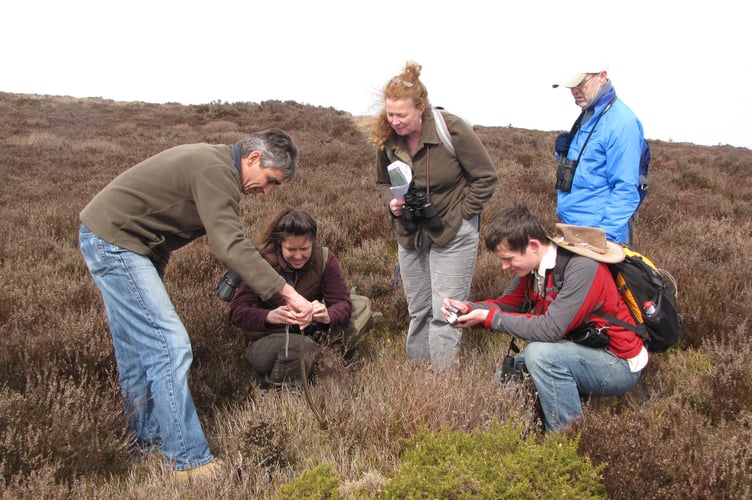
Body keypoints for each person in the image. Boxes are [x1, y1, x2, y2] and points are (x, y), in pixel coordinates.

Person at [78, 129, 314, 478]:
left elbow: (230, 240)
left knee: (136, 354)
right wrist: (289, 293)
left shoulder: (217, 166)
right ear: (252, 159)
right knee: (170, 346)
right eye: (269, 181)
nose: (266, 192)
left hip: (123, 242)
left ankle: (145, 446)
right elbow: (230, 245)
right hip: (117, 244)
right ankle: (186, 460)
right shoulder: (215, 169)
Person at [442, 203, 647, 432]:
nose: (503, 267)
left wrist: (488, 317)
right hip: (580, 350)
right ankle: (502, 436)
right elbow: (507, 305)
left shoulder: (582, 268)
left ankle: (564, 444)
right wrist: (470, 309)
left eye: (509, 259)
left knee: (541, 356)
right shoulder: (532, 270)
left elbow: (551, 329)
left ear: (533, 245)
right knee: (513, 371)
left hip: (618, 363)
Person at [370, 61, 499, 369]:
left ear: (421, 109)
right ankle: (417, 379)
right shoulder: (387, 140)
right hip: (410, 232)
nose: (396, 121)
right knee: (418, 310)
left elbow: (486, 177)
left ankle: (442, 385)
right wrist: (392, 202)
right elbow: (381, 183)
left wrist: (464, 213)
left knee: (445, 313)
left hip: (452, 231)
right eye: (390, 114)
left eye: (402, 115)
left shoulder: (450, 129)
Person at [228, 207, 353, 387]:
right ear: (279, 244)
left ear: (313, 243)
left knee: (336, 374)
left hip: (309, 336)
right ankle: (278, 394)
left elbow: (343, 304)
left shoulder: (324, 259)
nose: (298, 256)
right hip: (263, 342)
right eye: (291, 249)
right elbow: (236, 312)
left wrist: (326, 315)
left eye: (304, 249)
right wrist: (269, 317)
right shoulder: (260, 262)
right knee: (302, 349)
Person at [552, 62, 648, 244]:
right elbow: (589, 168)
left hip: (596, 236)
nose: (575, 91)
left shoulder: (621, 123)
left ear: (602, 77)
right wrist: (563, 153)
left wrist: (604, 241)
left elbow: (626, 189)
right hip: (573, 231)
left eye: (581, 84)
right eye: (571, 86)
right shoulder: (589, 114)